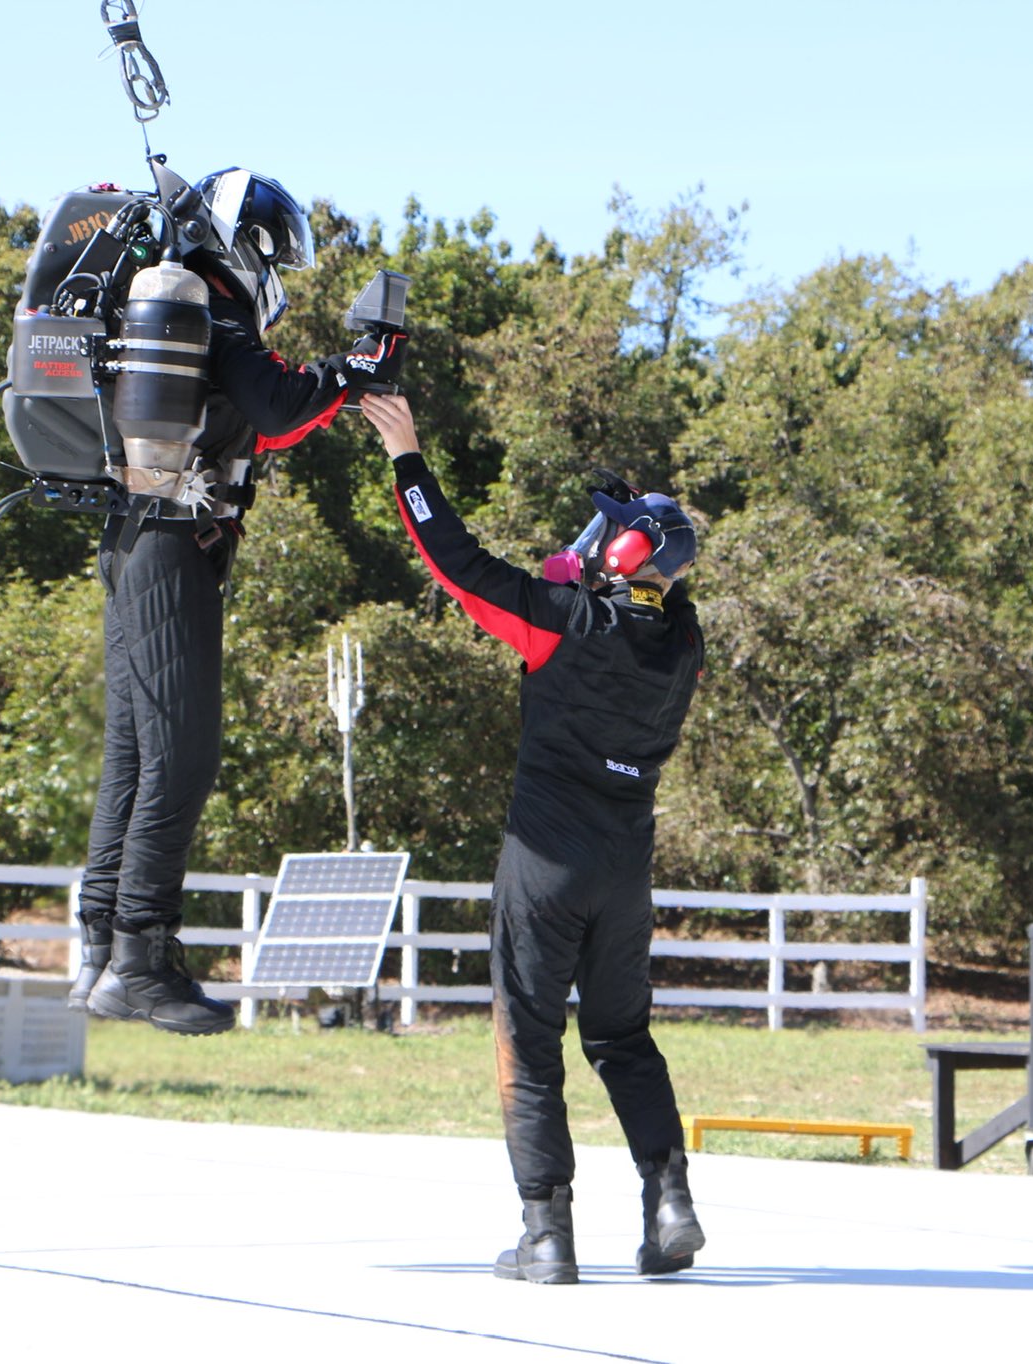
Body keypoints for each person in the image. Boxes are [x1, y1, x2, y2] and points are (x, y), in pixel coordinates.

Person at [360, 391, 707, 1284]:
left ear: (613, 559)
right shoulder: (682, 649)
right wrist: (631, 542)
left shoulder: (560, 625)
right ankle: (669, 1201)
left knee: (529, 1037)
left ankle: (546, 1234)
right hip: (626, 872)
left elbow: (457, 563)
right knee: (624, 1038)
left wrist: (407, 456)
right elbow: (658, 593)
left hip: (544, 864)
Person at [69, 168, 406, 1034]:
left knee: (137, 752)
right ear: (244, 243)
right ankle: (141, 959)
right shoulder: (210, 305)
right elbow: (281, 408)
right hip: (173, 536)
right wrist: (360, 369)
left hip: (137, 536)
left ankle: (103, 947)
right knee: (180, 753)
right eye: (272, 249)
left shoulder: (187, 306)